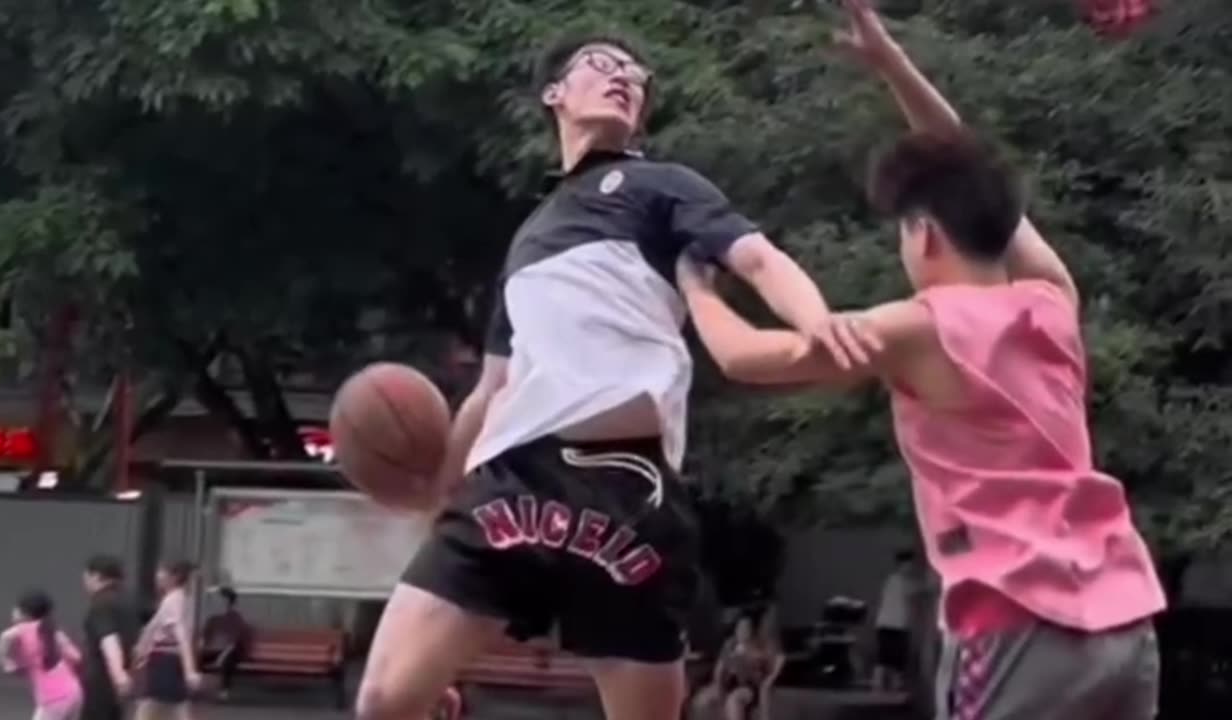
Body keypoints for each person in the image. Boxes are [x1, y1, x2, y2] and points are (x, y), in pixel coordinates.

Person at [674, 2, 1168, 718]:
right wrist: (890, 63)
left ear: (923, 234)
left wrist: (695, 286)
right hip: (1125, 621)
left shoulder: (916, 327)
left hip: (1016, 621)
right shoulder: (1053, 301)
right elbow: (968, 166)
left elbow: (747, 358)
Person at [355, 33, 857, 720]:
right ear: (554, 93)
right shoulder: (527, 241)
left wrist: (817, 320)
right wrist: (435, 499)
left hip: (631, 486)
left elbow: (760, 261)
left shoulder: (662, 187)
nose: (623, 76)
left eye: (635, 72)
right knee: (386, 700)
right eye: (601, 63)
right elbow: (491, 390)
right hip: (515, 482)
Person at [0, 590, 84, 720]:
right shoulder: (52, 630)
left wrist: (6, 663)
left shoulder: (25, 628)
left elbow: (4, 637)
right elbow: (76, 657)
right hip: (74, 692)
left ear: (24, 612)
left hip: (53, 697)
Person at [134, 560, 203, 720]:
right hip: (167, 660)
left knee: (153, 707)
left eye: (161, 572)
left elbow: (181, 635)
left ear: (174, 577)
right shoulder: (180, 598)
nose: (157, 576)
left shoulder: (173, 600)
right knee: (171, 708)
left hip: (165, 661)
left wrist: (189, 670)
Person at [690, 614, 784, 720]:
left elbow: (774, 662)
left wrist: (768, 678)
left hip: (749, 687)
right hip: (728, 684)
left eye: (746, 628)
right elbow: (719, 670)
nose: (743, 631)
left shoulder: (756, 647)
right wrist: (719, 687)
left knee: (733, 700)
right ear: (736, 630)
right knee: (700, 702)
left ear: (751, 631)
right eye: (740, 628)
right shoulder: (730, 645)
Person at [81, 555, 138, 720]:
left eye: (86, 576)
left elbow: (108, 639)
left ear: (96, 576)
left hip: (101, 680)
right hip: (120, 681)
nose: (84, 582)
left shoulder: (101, 604)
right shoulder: (128, 601)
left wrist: (118, 675)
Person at [873, 550, 916, 691]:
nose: (910, 567)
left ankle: (890, 685)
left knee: (893, 657)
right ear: (901, 564)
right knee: (886, 656)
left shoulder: (895, 580)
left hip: (894, 624)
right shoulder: (897, 580)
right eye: (908, 564)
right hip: (890, 624)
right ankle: (880, 684)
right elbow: (917, 590)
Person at [200, 587, 249, 700]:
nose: (217, 602)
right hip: (215, 650)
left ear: (228, 602)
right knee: (197, 658)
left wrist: (220, 658)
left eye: (220, 599)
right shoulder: (213, 619)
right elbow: (205, 637)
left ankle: (224, 690)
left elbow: (232, 643)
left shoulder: (235, 618)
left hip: (231, 651)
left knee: (228, 661)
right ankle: (197, 686)